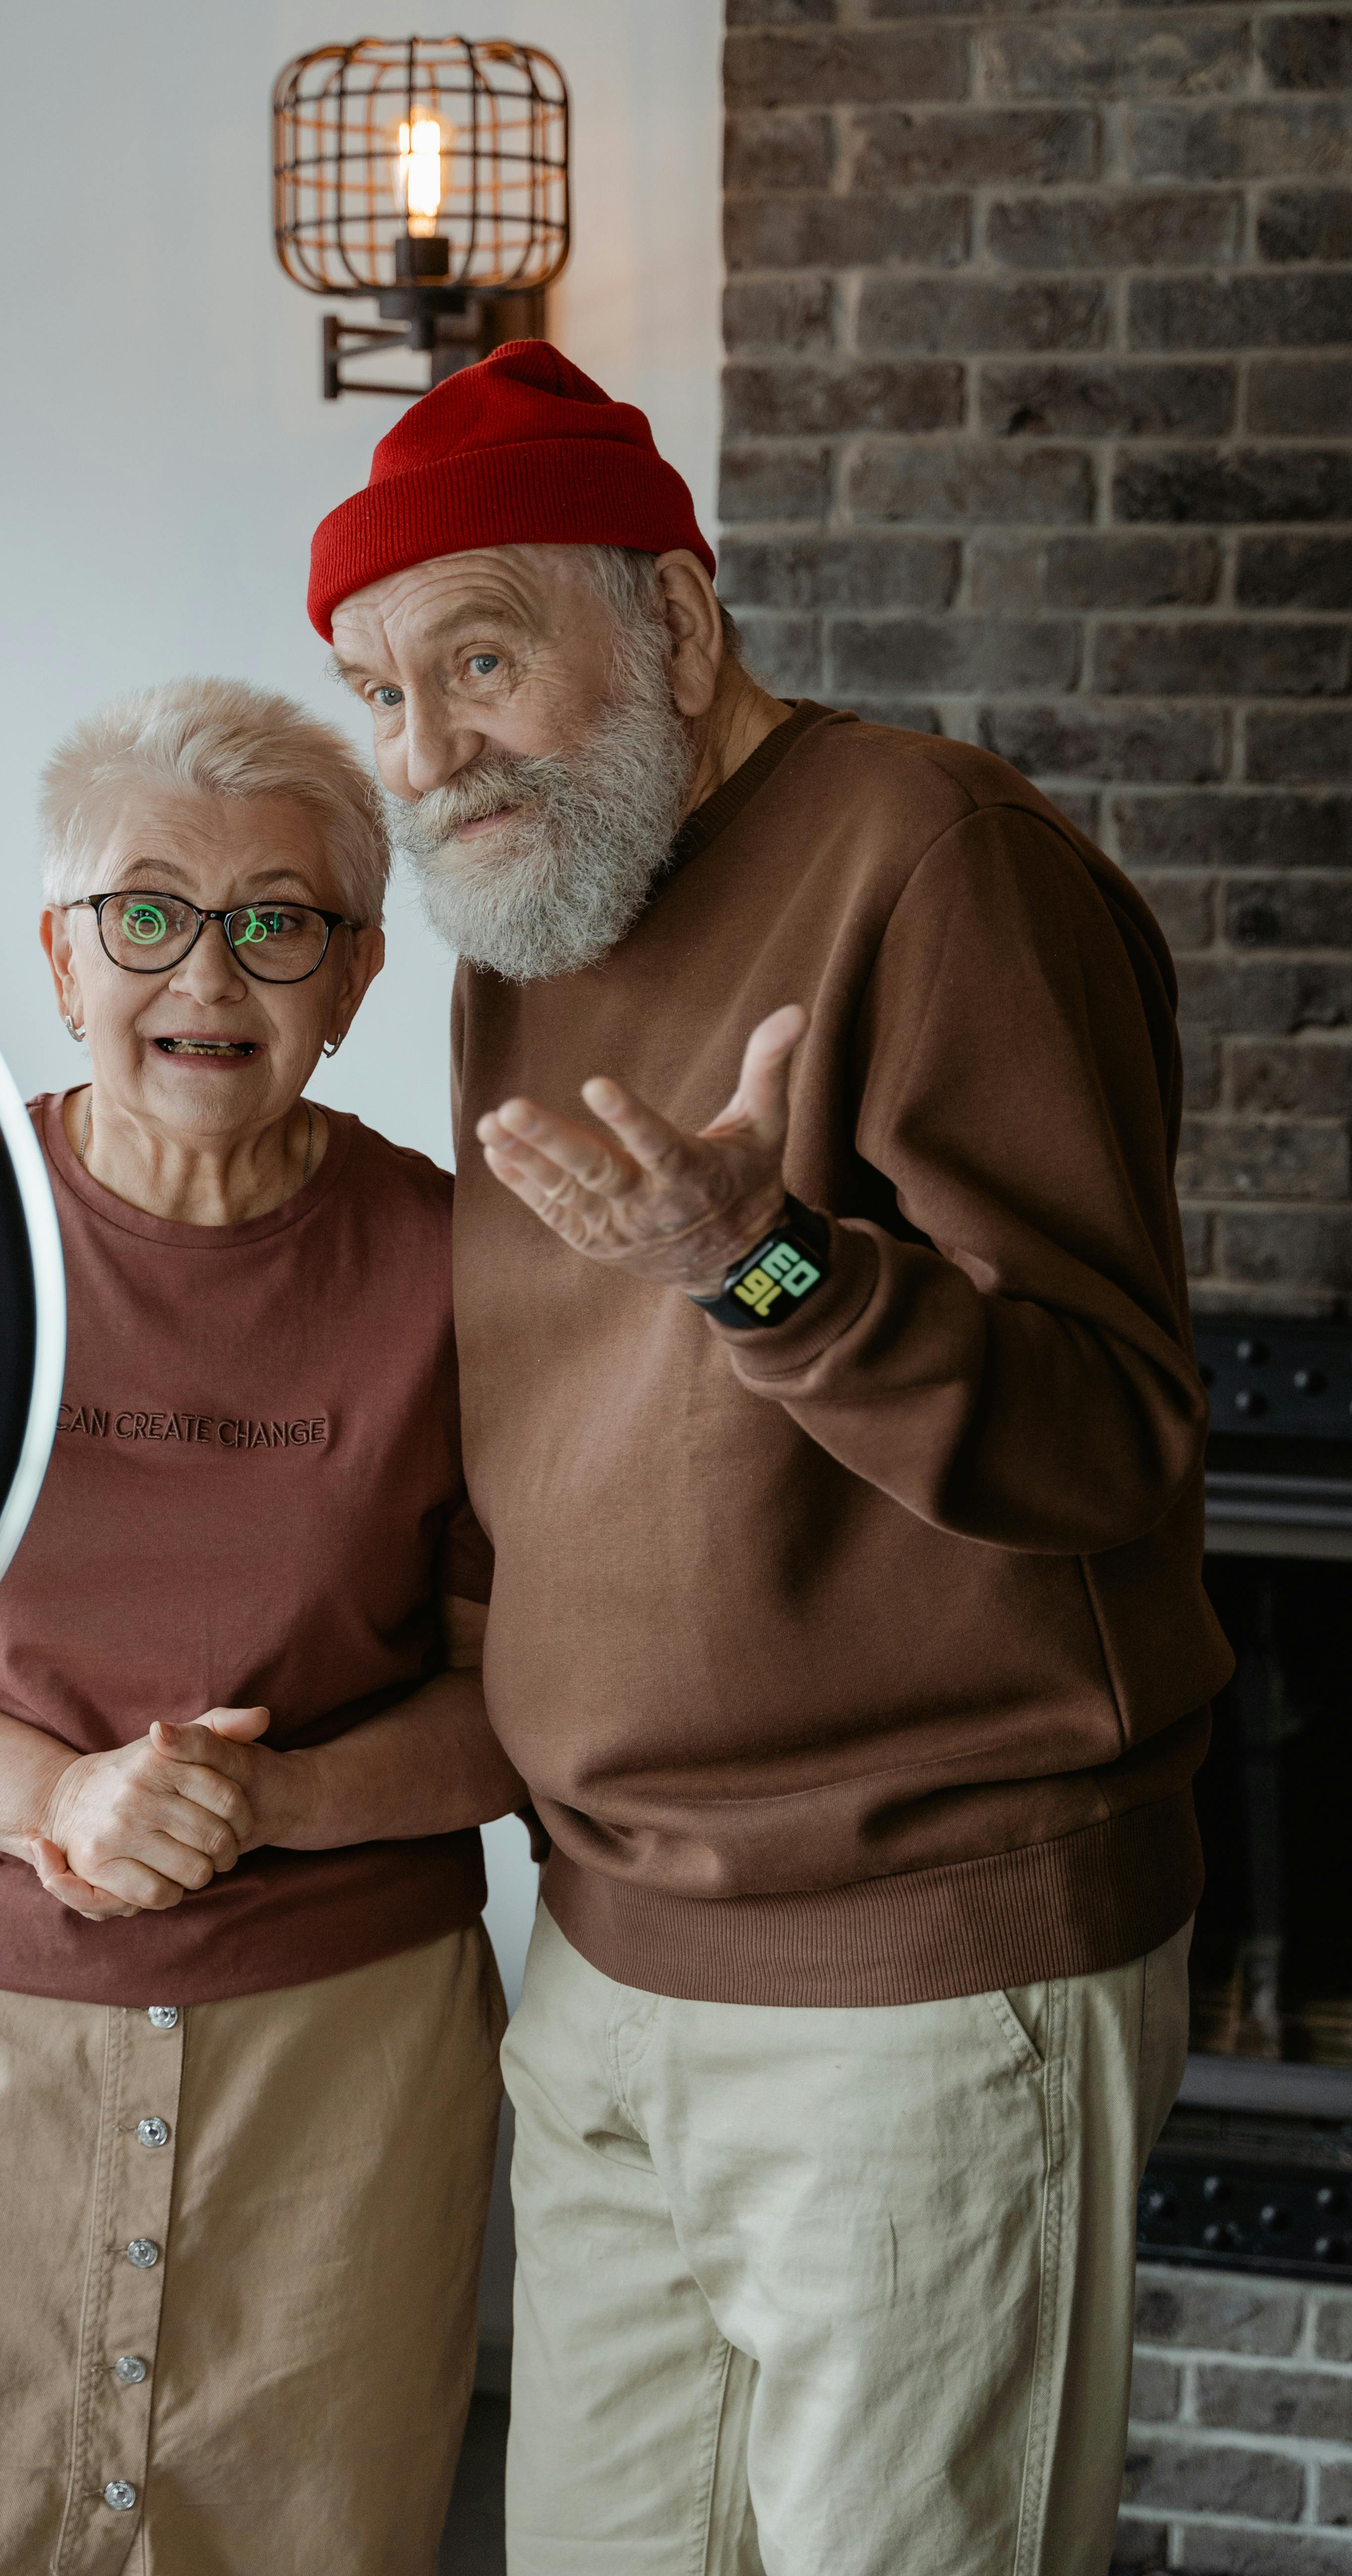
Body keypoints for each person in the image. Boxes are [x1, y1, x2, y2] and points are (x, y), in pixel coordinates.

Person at [311, 341, 1233, 2576]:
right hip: (607, 1968)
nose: (425, 757)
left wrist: (768, 1274)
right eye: (376, 692)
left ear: (678, 625)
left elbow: (1108, 1436)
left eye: (483, 658)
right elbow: (548, 1441)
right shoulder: (527, 924)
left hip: (920, 1989)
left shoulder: (933, 859)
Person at [0, 676, 523, 2576]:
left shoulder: (458, 1264)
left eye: (279, 921)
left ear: (358, 976)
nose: (208, 975)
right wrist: (58, 1801)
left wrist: (277, 1805)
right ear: (64, 955)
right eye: (148, 914)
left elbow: (522, 1700)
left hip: (339, 2058)